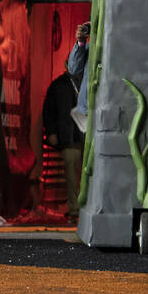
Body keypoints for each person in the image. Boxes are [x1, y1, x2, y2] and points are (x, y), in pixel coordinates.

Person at [42, 51, 84, 219]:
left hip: (85, 139)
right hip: (68, 139)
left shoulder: (86, 83)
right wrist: (52, 132)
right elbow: (48, 111)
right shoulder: (58, 85)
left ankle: (83, 209)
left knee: (83, 177)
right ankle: (75, 210)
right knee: (72, 177)